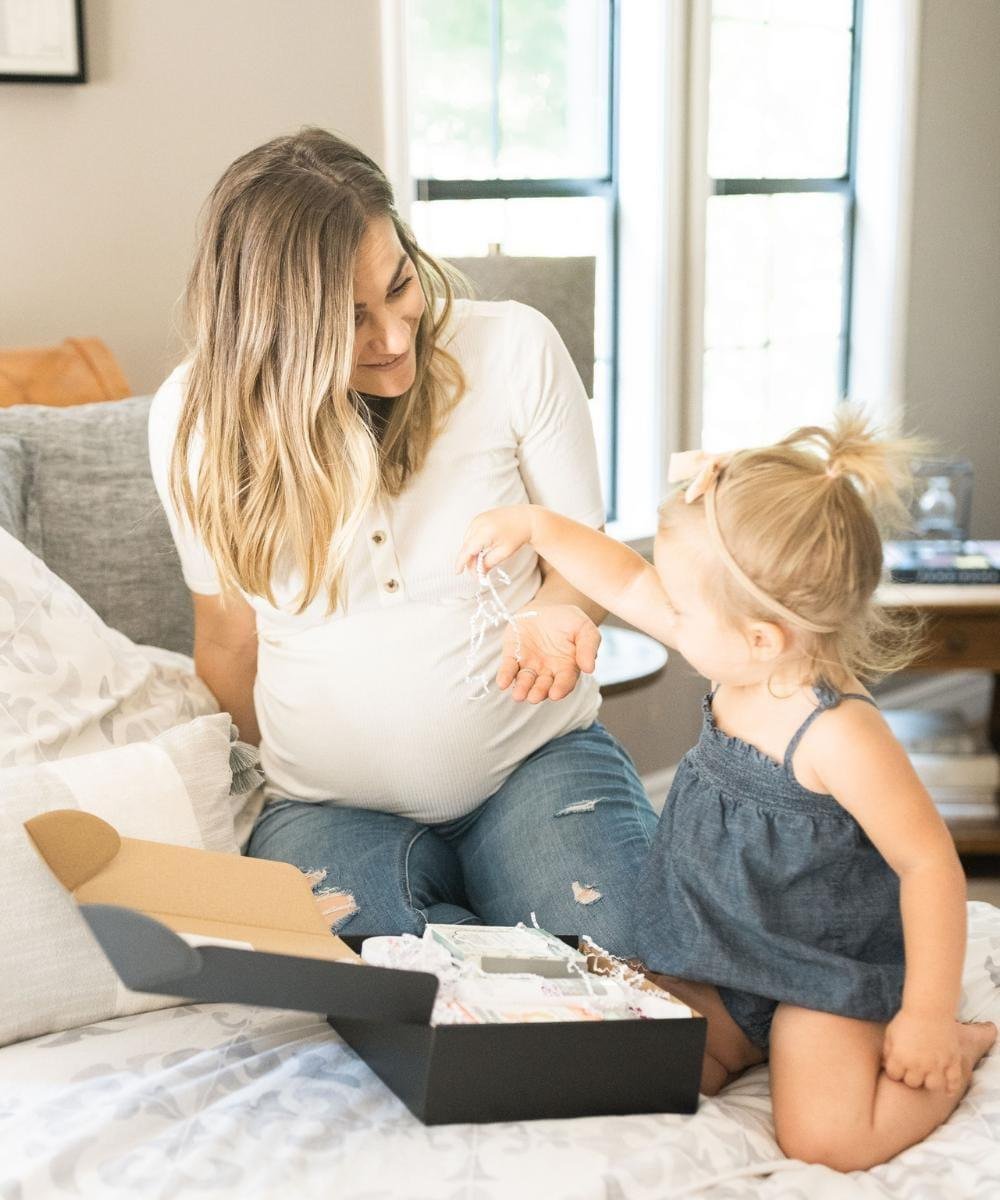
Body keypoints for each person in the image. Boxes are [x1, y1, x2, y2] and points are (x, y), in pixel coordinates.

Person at [148, 127, 657, 954]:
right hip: (326, 811)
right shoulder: (192, 422)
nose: (393, 335)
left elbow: (582, 559)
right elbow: (228, 637)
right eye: (348, 321)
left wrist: (560, 616)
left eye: (399, 285)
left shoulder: (514, 347)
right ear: (273, 331)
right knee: (404, 993)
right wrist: (251, 809)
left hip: (536, 766)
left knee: (630, 966)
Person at [456, 411, 996, 1171]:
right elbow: (624, 575)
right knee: (633, 1064)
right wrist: (537, 523)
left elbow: (929, 865)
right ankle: (739, 1042)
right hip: (713, 956)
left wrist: (929, 1016)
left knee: (826, 1139)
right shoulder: (738, 663)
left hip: (819, 972)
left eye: (680, 605)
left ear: (764, 638)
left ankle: (960, 1056)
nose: (663, 608)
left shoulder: (838, 733)